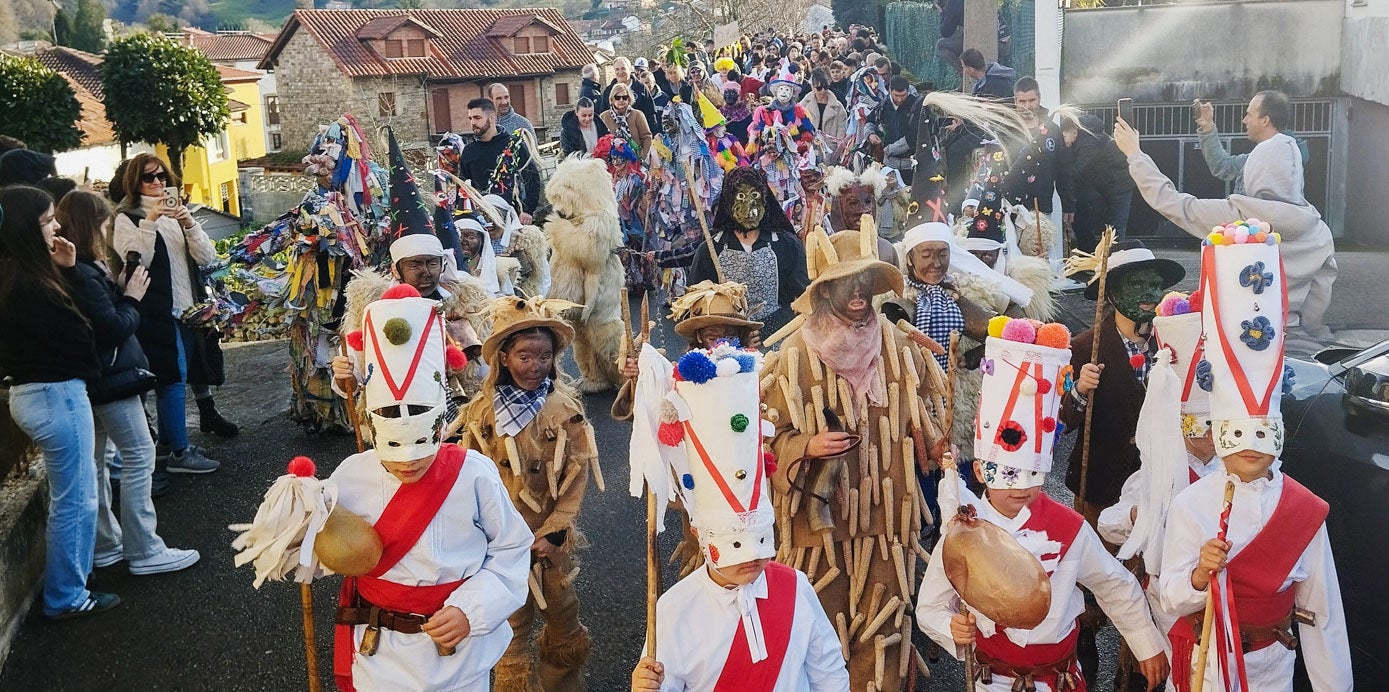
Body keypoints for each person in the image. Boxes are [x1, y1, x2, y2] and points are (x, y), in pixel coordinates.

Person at [915, 315, 1169, 691]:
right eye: (1008, 475)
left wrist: (1146, 643)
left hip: (1059, 680)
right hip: (992, 681)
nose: (1022, 489)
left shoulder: (1067, 528)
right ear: (982, 472)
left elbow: (1114, 584)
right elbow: (930, 607)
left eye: (1034, 476)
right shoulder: (964, 533)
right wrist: (950, 626)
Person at [1158, 231, 1351, 691]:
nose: (1251, 445)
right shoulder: (1192, 504)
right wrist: (1200, 574)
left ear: (1280, 436)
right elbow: (1171, 597)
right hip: (1206, 664)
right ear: (1221, 435)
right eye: (1239, 433)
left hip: (1272, 665)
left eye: (1263, 433)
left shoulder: (1304, 510)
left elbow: (1322, 611)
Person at [762, 229, 948, 691]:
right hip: (817, 528)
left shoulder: (901, 349)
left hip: (887, 526)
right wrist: (804, 447)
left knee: (883, 638)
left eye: (865, 281)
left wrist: (943, 446)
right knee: (819, 635)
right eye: (846, 284)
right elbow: (767, 439)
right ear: (824, 291)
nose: (859, 293)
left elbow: (927, 424)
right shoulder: (792, 357)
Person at [323, 289, 534, 691]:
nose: (408, 463)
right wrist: (297, 517)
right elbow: (320, 556)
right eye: (394, 453)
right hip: (379, 653)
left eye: (419, 451)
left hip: (457, 655)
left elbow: (510, 548)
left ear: (440, 425)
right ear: (371, 427)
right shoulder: (350, 476)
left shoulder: (474, 474)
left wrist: (472, 609)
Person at [627, 341, 849, 691]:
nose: (752, 557)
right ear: (703, 537)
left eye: (761, 541)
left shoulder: (795, 587)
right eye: (735, 542)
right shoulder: (674, 609)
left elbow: (828, 669)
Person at [56, 190, 200, 575]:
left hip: (91, 379)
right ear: (92, 225)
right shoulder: (86, 274)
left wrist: (118, 289)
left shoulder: (74, 271)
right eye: (103, 224)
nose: (106, 232)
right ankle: (145, 549)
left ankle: (108, 545)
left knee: (100, 461)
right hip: (113, 378)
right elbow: (112, 328)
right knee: (139, 454)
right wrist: (131, 298)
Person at [458, 298, 596, 691]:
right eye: (523, 356)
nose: (534, 366)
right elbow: (469, 471)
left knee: (561, 611)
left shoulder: (563, 411)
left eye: (543, 357)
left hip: (549, 541)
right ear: (503, 357)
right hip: (501, 543)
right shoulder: (483, 412)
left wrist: (556, 531)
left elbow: (577, 475)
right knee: (511, 622)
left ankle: (562, 682)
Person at [1060, 239, 1183, 677]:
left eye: (1156, 284)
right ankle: (1084, 668)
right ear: (1112, 294)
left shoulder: (1175, 342)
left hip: (1157, 488)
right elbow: (1059, 422)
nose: (1150, 293)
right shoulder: (1084, 347)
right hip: (1099, 486)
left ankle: (1135, 677)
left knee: (1149, 589)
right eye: (1138, 284)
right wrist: (1079, 391)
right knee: (1093, 588)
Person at [1115, 113, 1337, 341]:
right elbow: (1319, 298)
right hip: (1290, 336)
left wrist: (1135, 155)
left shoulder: (1237, 219)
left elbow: (1170, 201)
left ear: (1254, 173)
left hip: (1233, 340)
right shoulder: (1320, 232)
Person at [0, 185, 116, 618]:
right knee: (76, 498)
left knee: (74, 495)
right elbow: (81, 338)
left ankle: (73, 584)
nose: (57, 227)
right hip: (56, 396)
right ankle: (67, 595)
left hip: (35, 395)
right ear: (28, 230)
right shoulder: (32, 285)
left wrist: (63, 269)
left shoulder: (16, 276)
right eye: (48, 221)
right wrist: (72, 277)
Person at [1096, 291, 1220, 686]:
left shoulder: (1237, 475)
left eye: (1215, 425)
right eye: (1195, 426)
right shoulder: (1160, 469)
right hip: (1166, 611)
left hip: (1222, 613)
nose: (1206, 437)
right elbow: (1108, 523)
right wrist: (1139, 516)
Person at [110, 153, 224, 474]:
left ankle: (166, 445)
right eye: (149, 178)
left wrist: (189, 224)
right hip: (156, 311)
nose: (158, 183)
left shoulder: (177, 214)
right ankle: (180, 453)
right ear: (136, 182)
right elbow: (137, 260)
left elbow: (207, 258)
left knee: (177, 377)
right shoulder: (126, 217)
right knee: (172, 380)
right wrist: (150, 221)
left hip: (188, 310)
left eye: (162, 176)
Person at [688, 166, 810, 338]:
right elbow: (697, 305)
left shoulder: (787, 245)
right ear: (729, 202)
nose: (749, 207)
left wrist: (771, 327)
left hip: (779, 338)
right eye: (740, 197)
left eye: (755, 196)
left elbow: (803, 297)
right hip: (727, 345)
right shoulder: (710, 249)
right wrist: (734, 332)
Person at [1193, 90, 1304, 196]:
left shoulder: (1281, 163)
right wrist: (1207, 126)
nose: (1244, 120)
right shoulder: (1259, 158)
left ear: (1264, 120)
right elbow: (1223, 166)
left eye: (1249, 115)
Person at [1057, 111, 1134, 253]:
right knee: (1111, 226)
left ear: (1072, 131)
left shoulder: (1089, 143)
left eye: (1063, 136)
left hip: (1119, 184)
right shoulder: (1086, 137)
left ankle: (1114, 262)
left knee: (1116, 228)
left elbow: (1077, 170)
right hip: (1106, 182)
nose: (1063, 142)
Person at [457, 98, 542, 216]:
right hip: (481, 217)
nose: (473, 122)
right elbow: (462, 186)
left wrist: (527, 210)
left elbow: (532, 179)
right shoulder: (469, 151)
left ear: (491, 118)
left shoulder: (513, 146)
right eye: (470, 118)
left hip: (511, 216)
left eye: (477, 118)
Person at [1004, 77, 1068, 218]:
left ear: (1039, 98)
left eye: (1031, 100)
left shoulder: (1052, 130)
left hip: (1042, 207)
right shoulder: (1005, 131)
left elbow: (1063, 168)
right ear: (1015, 101)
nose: (1027, 106)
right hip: (1010, 207)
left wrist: (1069, 204)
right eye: (1022, 101)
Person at [865, 76, 923, 185]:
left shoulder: (917, 106)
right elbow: (870, 120)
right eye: (896, 95)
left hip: (910, 166)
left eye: (903, 96)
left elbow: (914, 136)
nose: (899, 99)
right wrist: (870, 134)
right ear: (889, 90)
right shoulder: (883, 105)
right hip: (889, 167)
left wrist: (889, 150)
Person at [934, 0, 1010, 72]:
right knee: (962, 38)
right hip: (1004, 40)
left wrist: (943, 13)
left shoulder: (954, 2)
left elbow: (946, 32)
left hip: (988, 42)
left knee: (941, 45)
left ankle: (966, 73)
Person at [599, 57, 657, 131]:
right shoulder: (608, 91)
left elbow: (651, 113)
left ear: (630, 69)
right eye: (617, 69)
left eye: (623, 68)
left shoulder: (641, 88)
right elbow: (603, 115)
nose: (620, 72)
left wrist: (653, 133)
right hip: (615, 136)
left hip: (639, 135)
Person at [600, 83, 653, 160]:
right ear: (612, 99)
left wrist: (643, 157)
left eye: (624, 97)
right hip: (612, 162)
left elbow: (647, 137)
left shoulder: (637, 115)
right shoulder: (604, 117)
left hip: (636, 160)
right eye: (617, 97)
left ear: (629, 99)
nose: (621, 100)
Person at [803, 69, 849, 146]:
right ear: (813, 88)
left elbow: (841, 132)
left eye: (826, 87)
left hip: (830, 148)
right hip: (809, 148)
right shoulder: (804, 104)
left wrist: (838, 150)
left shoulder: (838, 107)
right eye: (819, 88)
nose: (823, 90)